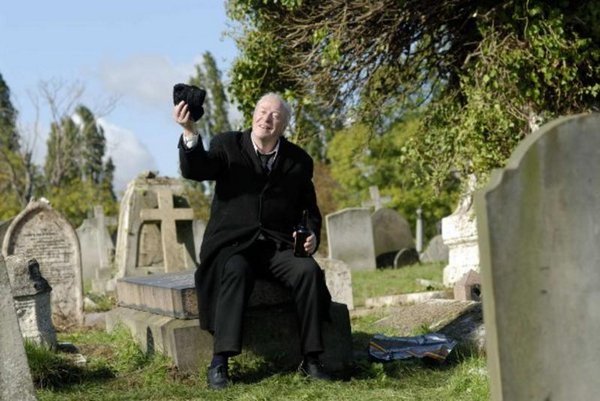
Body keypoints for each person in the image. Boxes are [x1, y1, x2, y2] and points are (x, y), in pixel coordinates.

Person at [174, 93, 332, 390]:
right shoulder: (227, 145)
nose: (266, 118)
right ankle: (220, 362)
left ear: (283, 125)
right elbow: (197, 169)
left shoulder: (299, 160)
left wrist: (311, 235)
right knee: (235, 270)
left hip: (278, 246)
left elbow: (309, 210)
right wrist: (189, 132)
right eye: (262, 111)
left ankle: (312, 359)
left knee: (308, 271)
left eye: (275, 115)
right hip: (234, 244)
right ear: (253, 114)